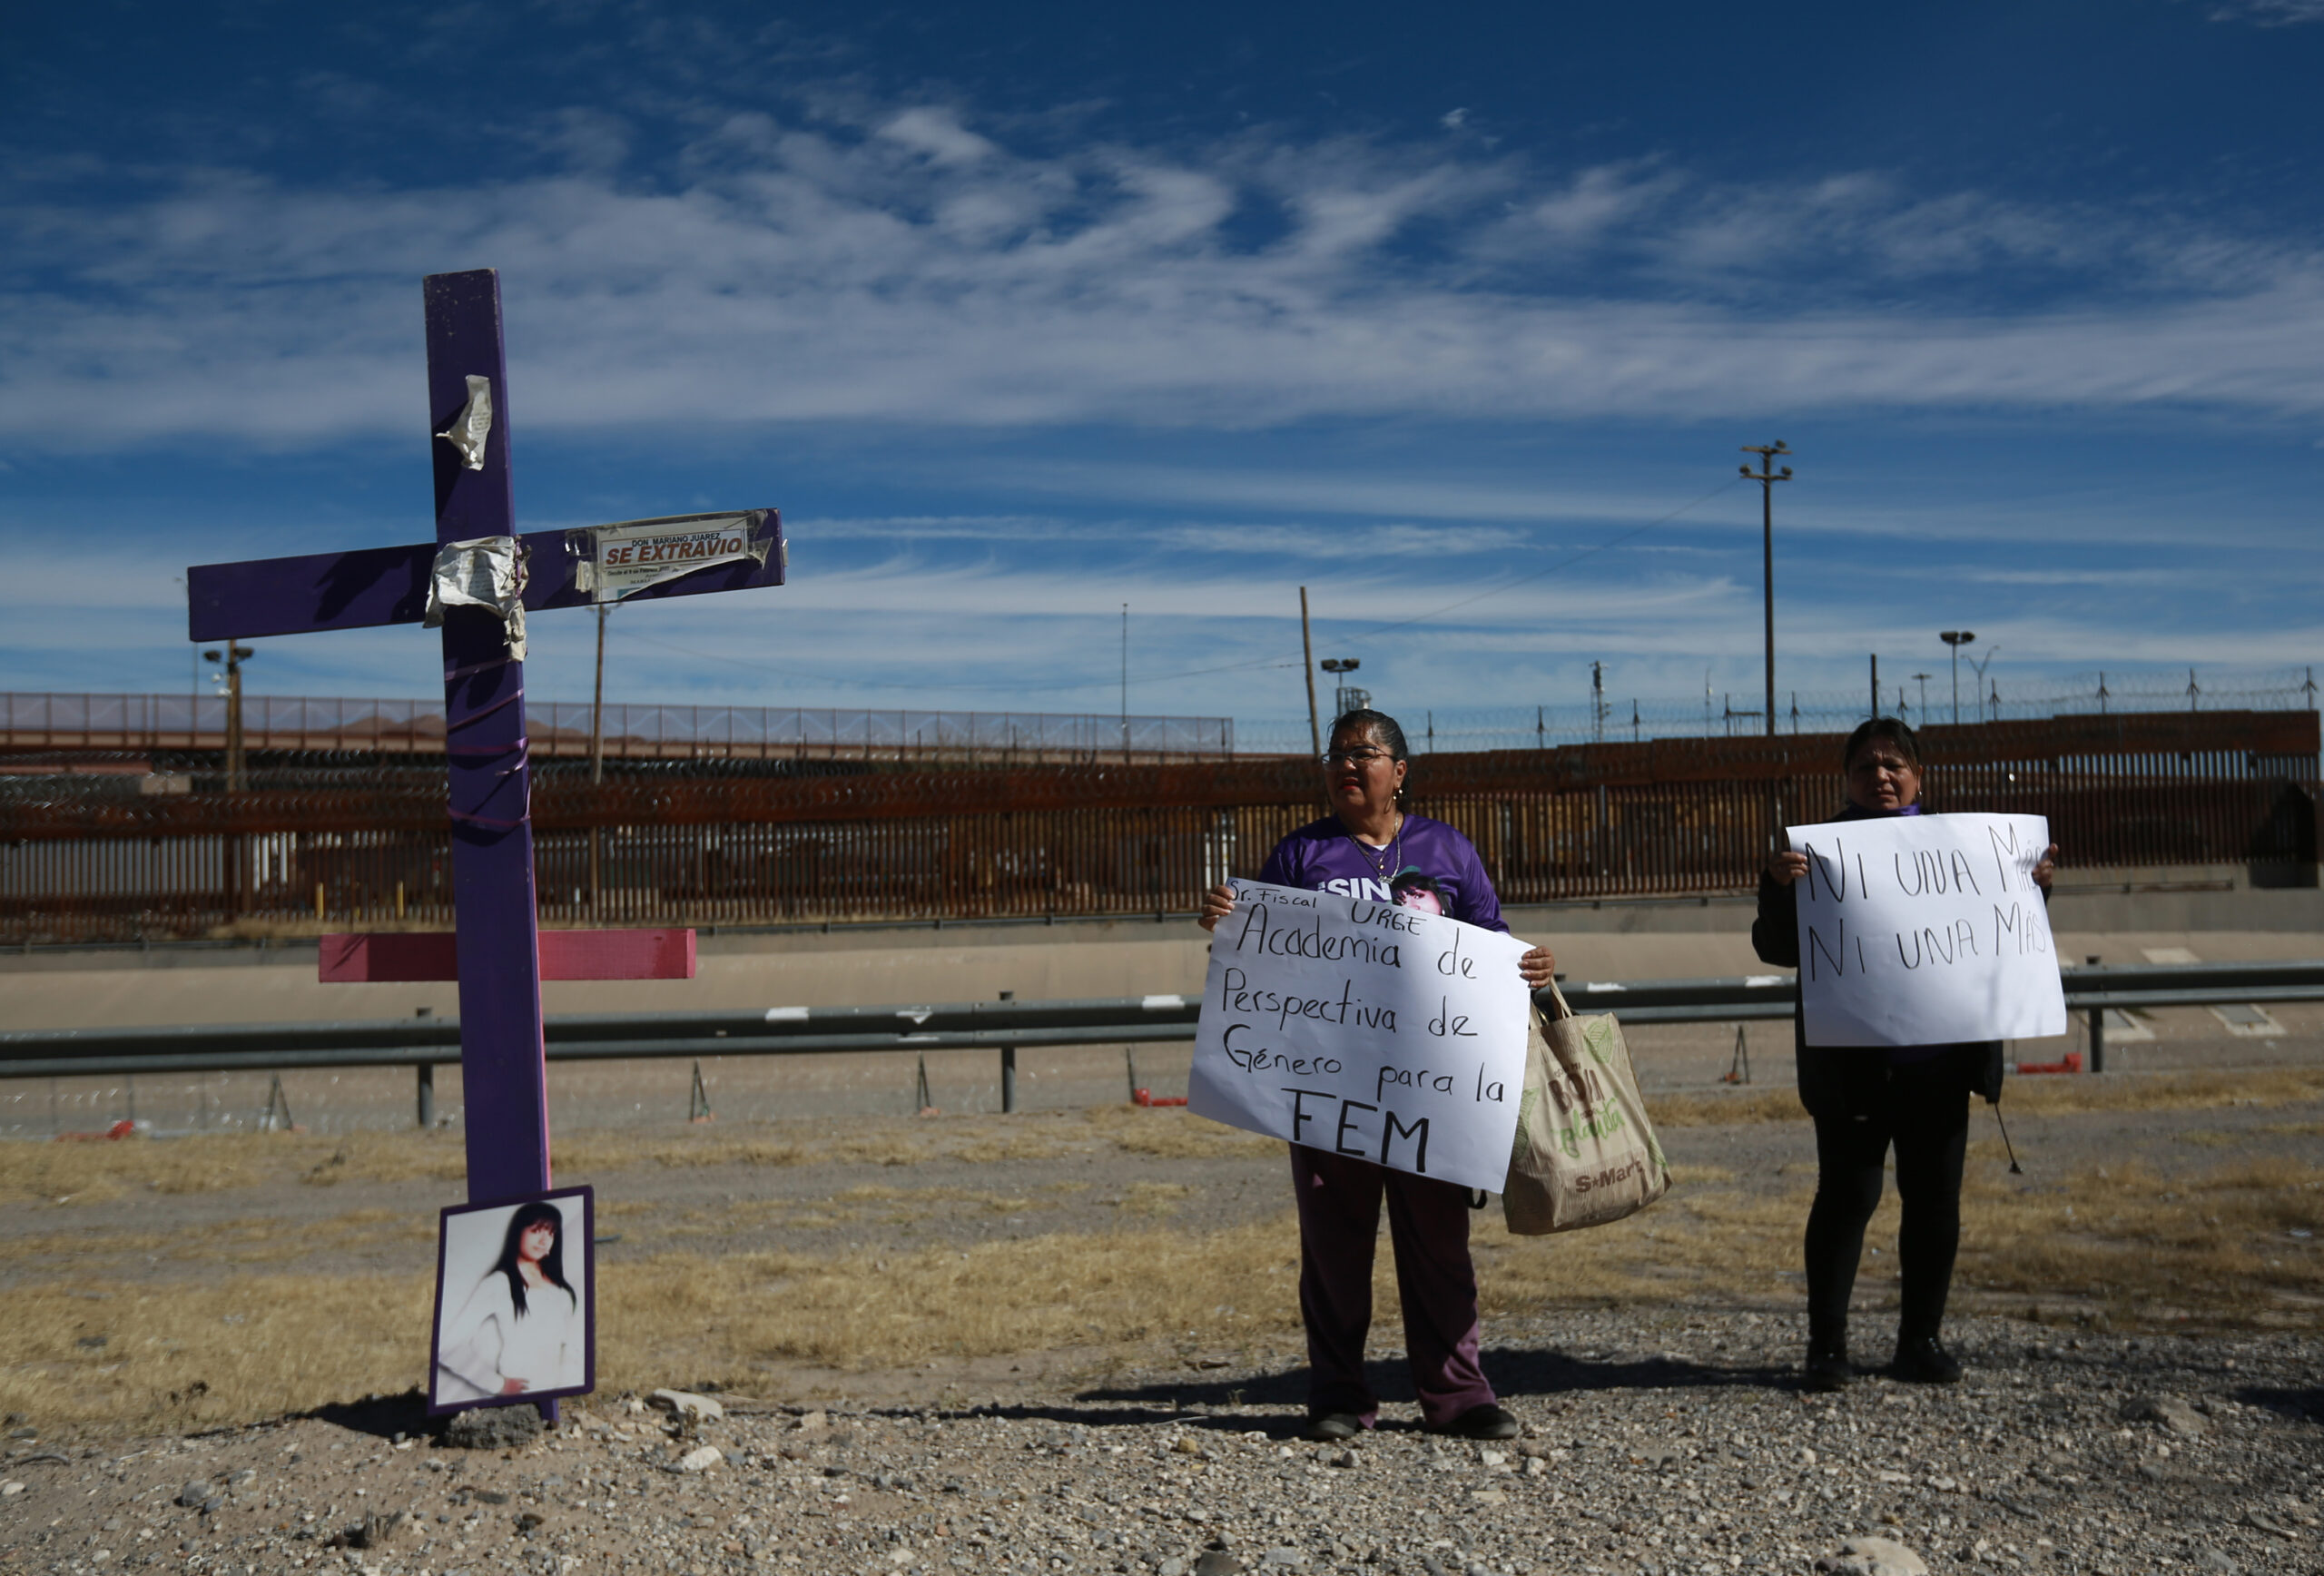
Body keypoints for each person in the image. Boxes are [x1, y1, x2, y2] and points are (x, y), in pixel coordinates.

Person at [1198, 709, 1556, 1442]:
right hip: (1332, 1090)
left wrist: (1531, 967)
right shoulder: (1301, 856)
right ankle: (1337, 1395)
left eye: (1364, 753)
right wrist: (1229, 924)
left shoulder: (1448, 850)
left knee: (1439, 1245)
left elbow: (1492, 950)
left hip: (1431, 1094)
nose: (1347, 765)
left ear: (1401, 770)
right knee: (1334, 1249)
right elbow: (1262, 962)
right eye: (1336, 755)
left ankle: (1458, 1396)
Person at [1753, 718, 2057, 1391]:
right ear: (1846, 780)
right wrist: (1780, 890)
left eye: (1894, 765)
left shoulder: (1970, 849)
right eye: (1866, 766)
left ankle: (1920, 1340)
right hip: (1853, 1072)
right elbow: (1775, 949)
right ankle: (1826, 1348)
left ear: (1919, 776)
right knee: (1845, 1201)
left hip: (1940, 1069)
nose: (1881, 776)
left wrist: (2032, 884)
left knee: (1934, 1206)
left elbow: (2005, 936)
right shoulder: (1816, 854)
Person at [437, 1201, 584, 1403]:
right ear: (517, 1233)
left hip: (559, 1396)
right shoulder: (499, 1284)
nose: (543, 1240)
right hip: (519, 1400)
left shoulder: (563, 1291)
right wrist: (496, 1384)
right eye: (536, 1230)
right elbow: (449, 1346)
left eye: (550, 1233)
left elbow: (571, 1347)